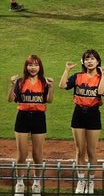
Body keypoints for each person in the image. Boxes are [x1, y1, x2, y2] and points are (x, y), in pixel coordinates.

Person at [58, 50, 104, 195]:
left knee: (91, 150)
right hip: (78, 114)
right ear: (83, 62)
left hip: (93, 114)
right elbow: (62, 85)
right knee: (80, 150)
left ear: (98, 61)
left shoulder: (102, 77)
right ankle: (81, 181)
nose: (89, 61)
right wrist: (67, 70)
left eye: (92, 59)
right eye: (87, 59)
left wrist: (103, 75)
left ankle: (90, 181)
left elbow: (101, 92)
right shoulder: (78, 76)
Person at [8, 55, 54, 196]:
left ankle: (36, 183)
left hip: (39, 118)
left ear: (40, 67)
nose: (33, 68)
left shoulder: (44, 82)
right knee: (22, 154)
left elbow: (49, 100)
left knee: (37, 155)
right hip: (22, 118)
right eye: (30, 65)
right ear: (26, 67)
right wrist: (12, 85)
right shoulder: (20, 82)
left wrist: (51, 87)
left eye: (35, 65)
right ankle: (19, 183)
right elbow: (10, 99)